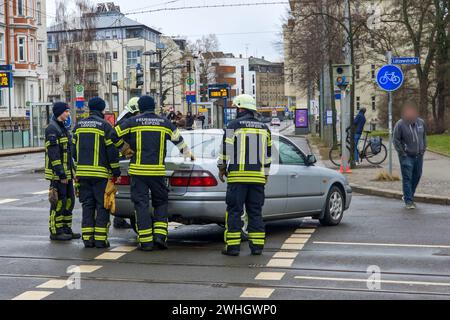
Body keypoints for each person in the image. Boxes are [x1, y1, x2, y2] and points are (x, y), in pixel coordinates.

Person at [114, 96, 194, 251]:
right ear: (154, 107)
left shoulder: (132, 122)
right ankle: (160, 237)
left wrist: (124, 148)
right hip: (157, 172)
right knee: (161, 202)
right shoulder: (165, 123)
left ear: (140, 108)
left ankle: (145, 241)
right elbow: (179, 140)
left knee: (141, 204)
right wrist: (188, 154)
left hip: (138, 172)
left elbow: (112, 134)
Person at [217, 94, 272, 256]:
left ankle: (233, 247)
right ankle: (257, 247)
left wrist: (221, 168)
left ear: (240, 108)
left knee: (234, 211)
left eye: (236, 107)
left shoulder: (233, 125)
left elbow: (225, 151)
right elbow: (268, 156)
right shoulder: (264, 128)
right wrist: (266, 175)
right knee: (255, 212)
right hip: (258, 178)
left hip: (237, 178)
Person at [72, 97, 121, 248]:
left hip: (83, 174)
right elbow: (111, 151)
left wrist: (80, 166)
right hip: (100, 175)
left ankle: (87, 239)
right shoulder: (105, 126)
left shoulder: (78, 126)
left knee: (87, 206)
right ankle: (100, 240)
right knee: (102, 205)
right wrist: (115, 171)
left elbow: (73, 150)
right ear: (101, 110)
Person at [45, 102, 80, 241]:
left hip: (67, 173)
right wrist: (61, 174)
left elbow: (68, 153)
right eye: (66, 111)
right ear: (60, 112)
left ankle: (66, 228)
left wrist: (73, 172)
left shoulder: (63, 128)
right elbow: (54, 154)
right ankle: (55, 231)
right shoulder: (52, 129)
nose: (68, 113)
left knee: (69, 201)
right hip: (58, 174)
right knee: (58, 202)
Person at [393, 101, 427, 210]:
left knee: (417, 176)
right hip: (406, 156)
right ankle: (408, 201)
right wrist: (402, 153)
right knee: (407, 178)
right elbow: (396, 140)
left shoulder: (421, 123)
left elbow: (424, 136)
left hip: (419, 155)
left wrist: (423, 148)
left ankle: (409, 196)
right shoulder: (400, 124)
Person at [113, 97, 140, 230]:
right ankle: (118, 219)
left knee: (123, 188)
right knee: (122, 187)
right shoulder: (125, 120)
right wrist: (126, 149)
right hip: (123, 155)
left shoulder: (124, 117)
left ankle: (119, 218)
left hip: (122, 154)